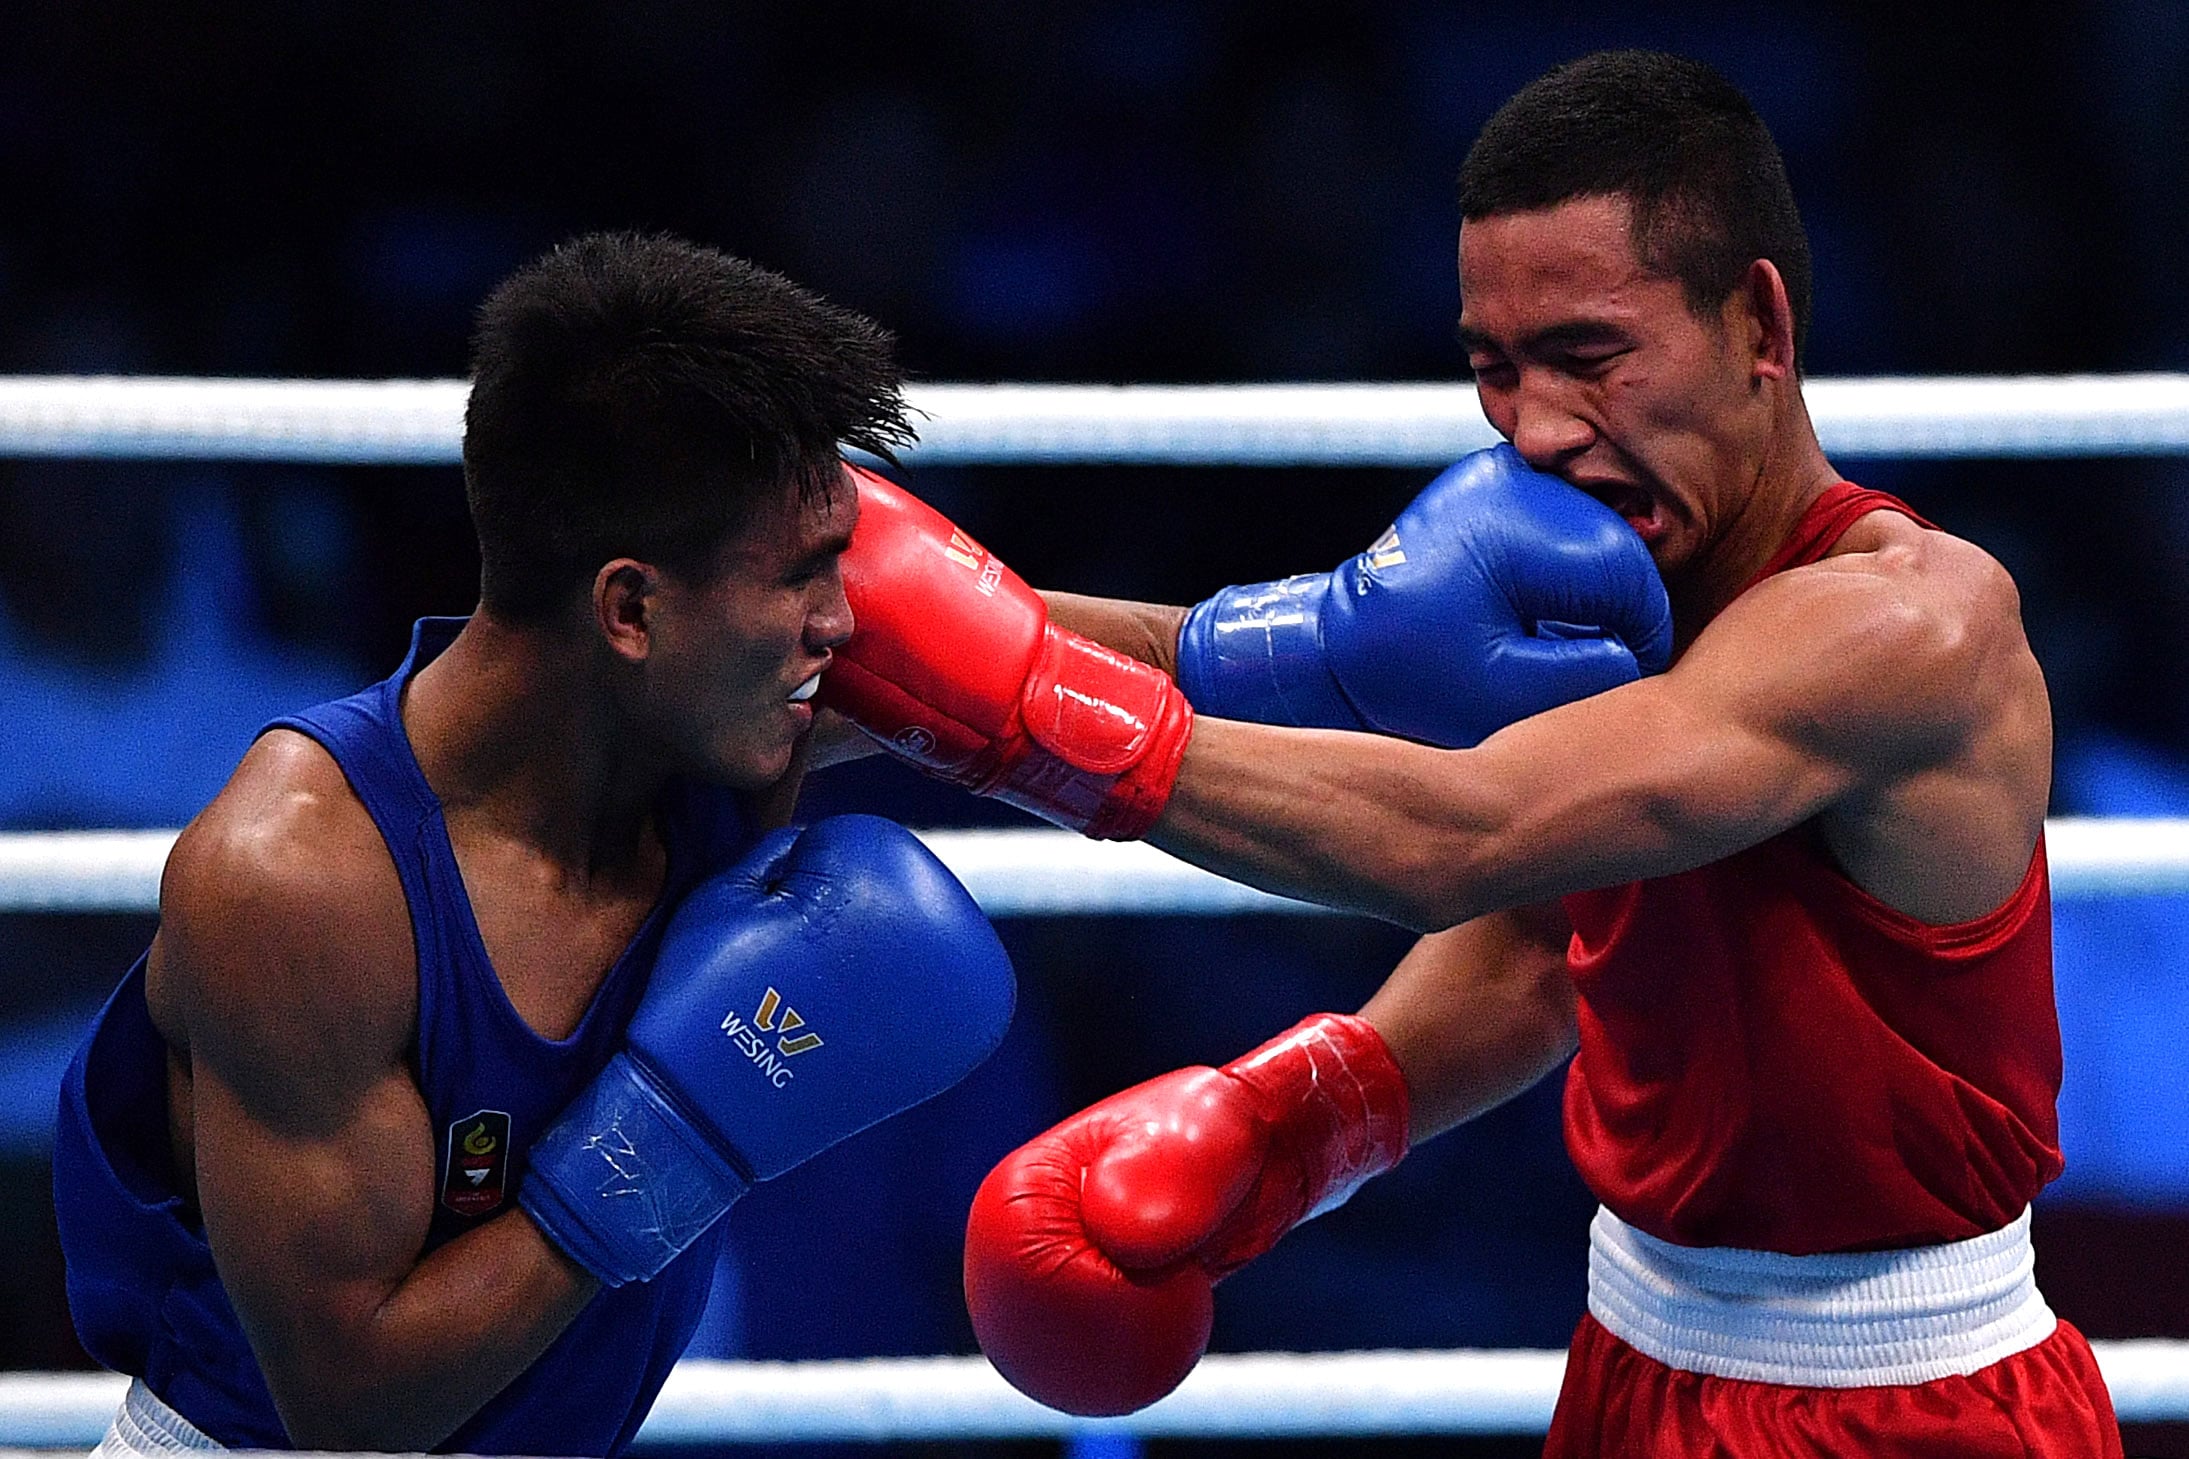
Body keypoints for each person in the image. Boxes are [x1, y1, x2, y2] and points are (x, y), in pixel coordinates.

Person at [819, 51, 2122, 1457]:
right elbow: (1541, 934)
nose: (1538, 431)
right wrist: (1300, 1116)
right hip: (1638, 1362)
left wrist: (997, 708)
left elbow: (1460, 836)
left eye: (1589, 355)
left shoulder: (1907, 624)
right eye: (1493, 369)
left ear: (1758, 322)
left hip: (1911, 1407)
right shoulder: (1610, 590)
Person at [50, 232, 1017, 1457]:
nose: (845, 617)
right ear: (627, 609)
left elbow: (1059, 684)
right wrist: (673, 1134)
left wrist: (1278, 639)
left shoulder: (721, 698)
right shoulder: (297, 875)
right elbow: (352, 1409)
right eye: (804, 575)